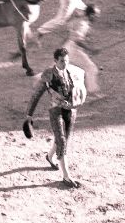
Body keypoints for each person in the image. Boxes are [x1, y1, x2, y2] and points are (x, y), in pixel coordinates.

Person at [24, 47, 87, 188]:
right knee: (62, 141)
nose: (65, 63)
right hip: (55, 109)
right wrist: (29, 115)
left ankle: (49, 156)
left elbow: (80, 87)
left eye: (67, 60)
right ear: (55, 61)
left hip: (70, 109)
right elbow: (36, 95)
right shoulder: (48, 75)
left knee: (64, 139)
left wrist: (75, 100)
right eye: (62, 61)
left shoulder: (73, 72)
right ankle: (66, 176)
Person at [61, 4, 100, 95]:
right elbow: (77, 40)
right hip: (73, 50)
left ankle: (38, 80)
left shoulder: (80, 20)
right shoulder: (83, 24)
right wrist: (91, 50)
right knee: (91, 68)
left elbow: (70, 31)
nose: (97, 18)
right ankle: (92, 92)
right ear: (91, 15)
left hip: (67, 47)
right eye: (96, 15)